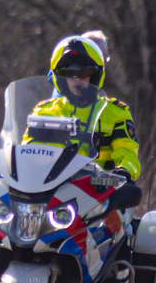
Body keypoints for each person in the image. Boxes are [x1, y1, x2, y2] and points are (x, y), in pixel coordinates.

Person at [24, 32, 142, 182]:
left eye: (84, 73)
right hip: (49, 193)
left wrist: (123, 171)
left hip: (99, 195)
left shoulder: (116, 114)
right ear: (60, 78)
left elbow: (128, 156)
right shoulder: (43, 112)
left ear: (95, 76)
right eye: (69, 73)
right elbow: (26, 154)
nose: (77, 79)